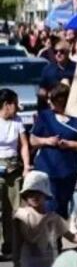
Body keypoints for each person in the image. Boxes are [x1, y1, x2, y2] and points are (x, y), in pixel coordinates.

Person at [30, 84, 77, 218]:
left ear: (62, 101)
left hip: (68, 172)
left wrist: (70, 144)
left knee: (62, 208)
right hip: (46, 170)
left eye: (51, 100)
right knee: (47, 206)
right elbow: (32, 139)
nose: (48, 102)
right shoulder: (45, 116)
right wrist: (47, 141)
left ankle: (58, 236)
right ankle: (47, 237)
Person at [1, 88, 30, 257]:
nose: (18, 107)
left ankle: (9, 245)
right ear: (6, 105)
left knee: (13, 208)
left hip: (13, 166)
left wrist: (26, 166)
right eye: (15, 103)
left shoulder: (18, 121)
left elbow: (24, 145)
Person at [38, 40, 76, 105]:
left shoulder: (76, 68)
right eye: (55, 51)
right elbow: (42, 89)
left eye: (62, 51)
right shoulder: (48, 70)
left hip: (72, 106)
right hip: (54, 107)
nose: (58, 54)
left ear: (68, 52)